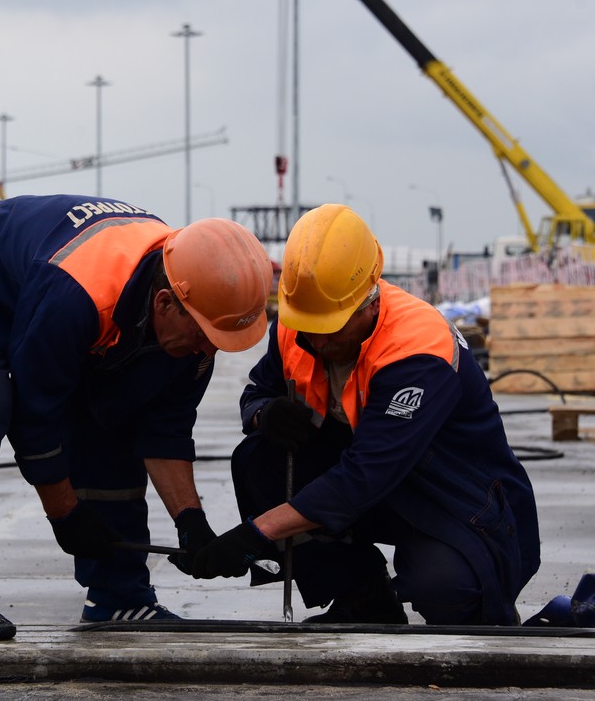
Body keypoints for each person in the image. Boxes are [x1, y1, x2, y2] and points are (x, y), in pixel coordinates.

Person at [0, 194, 274, 640]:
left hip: (45, 290)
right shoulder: (76, 295)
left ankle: (119, 595)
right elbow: (36, 413)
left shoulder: (193, 321)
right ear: (165, 303)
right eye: (203, 335)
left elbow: (165, 429)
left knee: (113, 414)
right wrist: (65, 514)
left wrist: (191, 522)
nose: (206, 350)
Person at [189, 203, 540, 625]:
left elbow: (365, 475)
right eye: (307, 327)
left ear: (369, 303)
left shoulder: (418, 351)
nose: (315, 342)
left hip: (455, 499)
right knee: (258, 462)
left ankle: (478, 619)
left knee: (442, 583)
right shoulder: (299, 322)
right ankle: (364, 596)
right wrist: (265, 413)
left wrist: (256, 532)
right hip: (379, 491)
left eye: (329, 328)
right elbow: (257, 391)